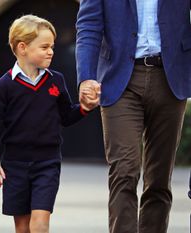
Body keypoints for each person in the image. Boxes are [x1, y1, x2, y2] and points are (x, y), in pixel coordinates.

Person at [76, 1, 191, 232]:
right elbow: (88, 26)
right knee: (124, 170)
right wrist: (86, 77)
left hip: (170, 79)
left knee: (159, 178)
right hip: (119, 80)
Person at [0, 15, 99, 233]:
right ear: (23, 48)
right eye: (44, 46)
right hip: (14, 165)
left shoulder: (56, 80)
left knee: (40, 223)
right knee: (23, 227)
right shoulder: (5, 86)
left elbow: (66, 116)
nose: (51, 51)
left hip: (48, 163)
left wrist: (84, 108)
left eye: (51, 46)